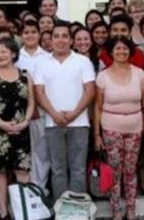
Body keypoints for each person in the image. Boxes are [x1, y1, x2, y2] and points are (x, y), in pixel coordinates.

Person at [94, 36, 144, 220]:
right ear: (111, 52)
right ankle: (116, 211)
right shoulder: (103, 76)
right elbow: (97, 107)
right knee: (115, 171)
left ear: (130, 52)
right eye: (118, 49)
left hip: (135, 128)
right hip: (111, 128)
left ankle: (131, 209)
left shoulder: (139, 74)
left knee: (130, 170)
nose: (122, 52)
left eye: (125, 49)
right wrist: (96, 134)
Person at [34, 23, 96, 197]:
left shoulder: (83, 61)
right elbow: (39, 92)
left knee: (78, 169)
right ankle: (61, 207)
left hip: (80, 122)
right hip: (52, 123)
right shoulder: (41, 63)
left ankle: (76, 209)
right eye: (56, 36)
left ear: (71, 40)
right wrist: (54, 114)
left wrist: (74, 114)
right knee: (58, 169)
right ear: (50, 40)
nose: (60, 40)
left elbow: (90, 90)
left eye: (64, 36)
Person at [0, 38, 35, 220]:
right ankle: (4, 211)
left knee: (22, 171)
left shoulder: (25, 75)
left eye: (4, 51)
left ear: (13, 53)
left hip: (21, 129)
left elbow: (31, 103)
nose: (0, 55)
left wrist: (25, 121)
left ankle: (23, 211)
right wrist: (1, 124)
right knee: (0, 170)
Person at [14, 20, 50, 193]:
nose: (29, 35)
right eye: (26, 32)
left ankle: (39, 188)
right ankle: (24, 190)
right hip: (20, 113)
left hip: (43, 112)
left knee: (41, 152)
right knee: (22, 151)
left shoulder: (47, 57)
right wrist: (30, 107)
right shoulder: (16, 57)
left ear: (39, 34)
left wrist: (37, 107)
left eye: (33, 32)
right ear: (21, 36)